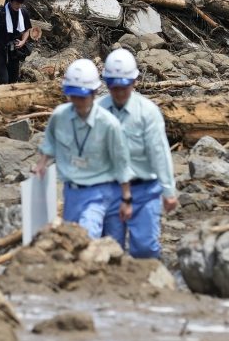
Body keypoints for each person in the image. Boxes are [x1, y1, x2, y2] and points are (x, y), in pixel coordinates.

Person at [32, 58, 133, 240]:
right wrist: (41, 164)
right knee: (71, 238)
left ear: (94, 93)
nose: (78, 101)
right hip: (71, 191)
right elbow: (50, 142)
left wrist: (126, 198)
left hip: (101, 189)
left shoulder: (108, 124)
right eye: (74, 96)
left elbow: (121, 161)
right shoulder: (60, 116)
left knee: (88, 235)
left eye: (83, 96)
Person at [98, 49, 177, 260]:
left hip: (145, 189)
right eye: (113, 86)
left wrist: (168, 190)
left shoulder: (147, 112)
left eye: (123, 86)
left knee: (145, 249)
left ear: (134, 82)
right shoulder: (98, 111)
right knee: (110, 249)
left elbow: (159, 152)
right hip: (111, 189)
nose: (118, 91)